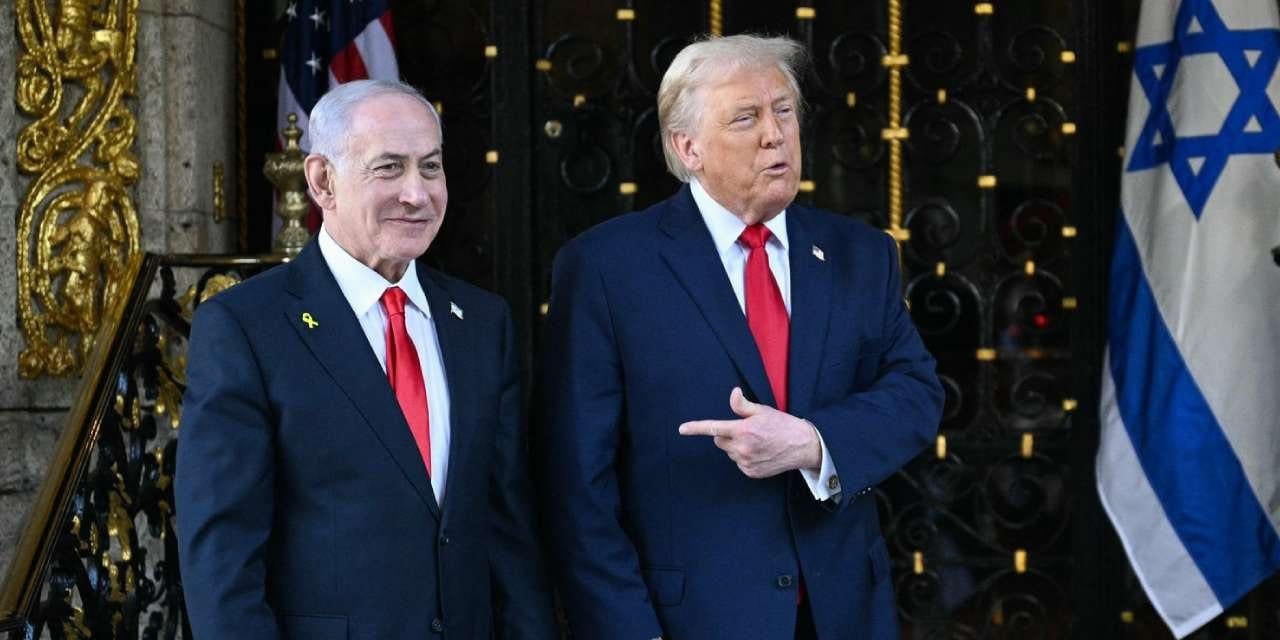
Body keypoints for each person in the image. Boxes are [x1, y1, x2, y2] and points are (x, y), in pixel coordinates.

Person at [536, 35, 943, 640]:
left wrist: (815, 443)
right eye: (746, 118)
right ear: (688, 147)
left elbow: (917, 393)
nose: (775, 134)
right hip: (688, 620)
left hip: (843, 614)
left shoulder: (860, 254)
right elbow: (576, 485)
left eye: (784, 111)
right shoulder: (606, 267)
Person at [176, 79, 557, 640]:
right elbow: (221, 558)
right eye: (389, 168)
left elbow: (507, 532)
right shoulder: (246, 327)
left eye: (431, 167)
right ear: (322, 181)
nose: (417, 193)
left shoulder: (481, 322)